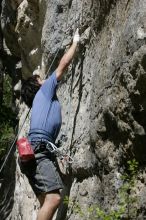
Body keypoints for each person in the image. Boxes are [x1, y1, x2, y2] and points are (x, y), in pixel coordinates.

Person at [20, 29, 80, 220]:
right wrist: (76, 42)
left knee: (45, 200)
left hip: (31, 153)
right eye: (40, 78)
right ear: (38, 85)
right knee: (54, 199)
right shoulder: (44, 91)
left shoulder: (39, 101)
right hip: (39, 150)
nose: (44, 79)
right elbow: (63, 65)